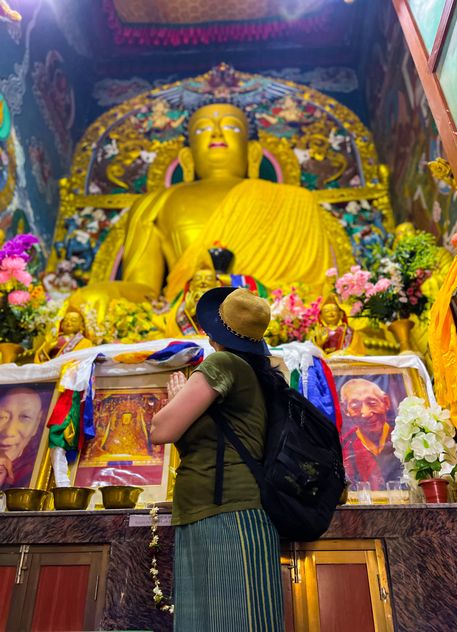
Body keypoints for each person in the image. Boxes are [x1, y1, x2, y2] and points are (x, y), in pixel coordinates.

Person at [70, 101, 350, 321]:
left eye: (231, 127)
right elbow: (144, 289)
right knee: (91, 299)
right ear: (187, 158)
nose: (216, 133)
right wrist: (105, 293)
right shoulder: (155, 203)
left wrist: (254, 294)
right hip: (185, 317)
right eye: (203, 129)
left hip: (268, 316)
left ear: (253, 154)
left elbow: (313, 284)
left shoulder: (297, 201)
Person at [150, 287, 284, 631]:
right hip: (232, 511)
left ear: (215, 334)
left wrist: (178, 397)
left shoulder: (223, 363)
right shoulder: (259, 372)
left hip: (223, 515)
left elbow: (161, 429)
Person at [339, 378, 402, 490]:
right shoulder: (345, 445)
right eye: (355, 407)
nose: (366, 413)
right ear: (345, 410)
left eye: (372, 403)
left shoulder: (403, 438)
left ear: (386, 402)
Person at [0, 387, 44, 489]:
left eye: (25, 417)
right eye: (1, 417)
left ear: (37, 423)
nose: (9, 432)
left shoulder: (34, 469)